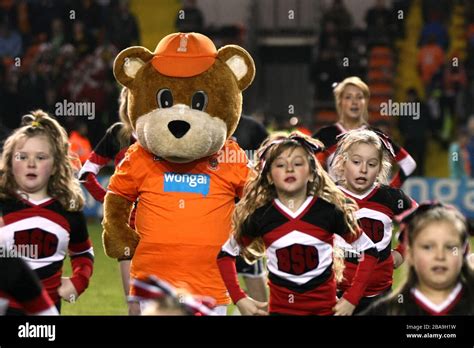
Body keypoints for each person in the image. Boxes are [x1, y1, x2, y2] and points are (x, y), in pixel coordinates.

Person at [217, 132, 379, 315]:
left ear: (311, 172)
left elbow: (369, 251)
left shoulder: (328, 212)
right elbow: (225, 255)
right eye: (280, 165)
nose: (289, 169)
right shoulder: (262, 217)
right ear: (269, 176)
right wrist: (239, 299)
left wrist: (351, 298)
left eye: (297, 163)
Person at [0, 110, 94, 313]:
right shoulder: (2, 204)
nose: (31, 163)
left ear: (54, 166)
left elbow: (83, 252)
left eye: (41, 157)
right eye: (22, 156)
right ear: (9, 162)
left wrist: (79, 281)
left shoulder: (68, 209)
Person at [330, 129, 417, 313]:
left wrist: (401, 251)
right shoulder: (329, 197)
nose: (363, 169)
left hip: (379, 296)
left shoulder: (389, 197)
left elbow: (420, 219)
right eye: (356, 162)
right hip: (336, 294)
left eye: (371, 164)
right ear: (342, 162)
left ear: (380, 168)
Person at [78, 87, 138, 313]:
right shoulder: (118, 135)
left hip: (161, 226)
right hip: (126, 227)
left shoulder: (165, 136)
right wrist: (110, 202)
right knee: (135, 307)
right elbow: (86, 174)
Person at [362, 202, 474, 315]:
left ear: (464, 252)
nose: (440, 256)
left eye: (450, 247)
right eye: (427, 247)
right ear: (410, 254)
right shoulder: (385, 311)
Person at [313, 76, 417, 188]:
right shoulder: (326, 134)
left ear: (365, 102)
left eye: (359, 97)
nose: (354, 102)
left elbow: (408, 163)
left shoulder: (376, 135)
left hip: (368, 204)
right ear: (340, 102)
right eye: (348, 97)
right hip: (337, 203)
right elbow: (302, 161)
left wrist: (390, 192)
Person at [231, 114, 269, 304]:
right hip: (213, 217)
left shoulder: (253, 128)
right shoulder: (207, 127)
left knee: (253, 272)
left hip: (245, 218)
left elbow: (268, 162)